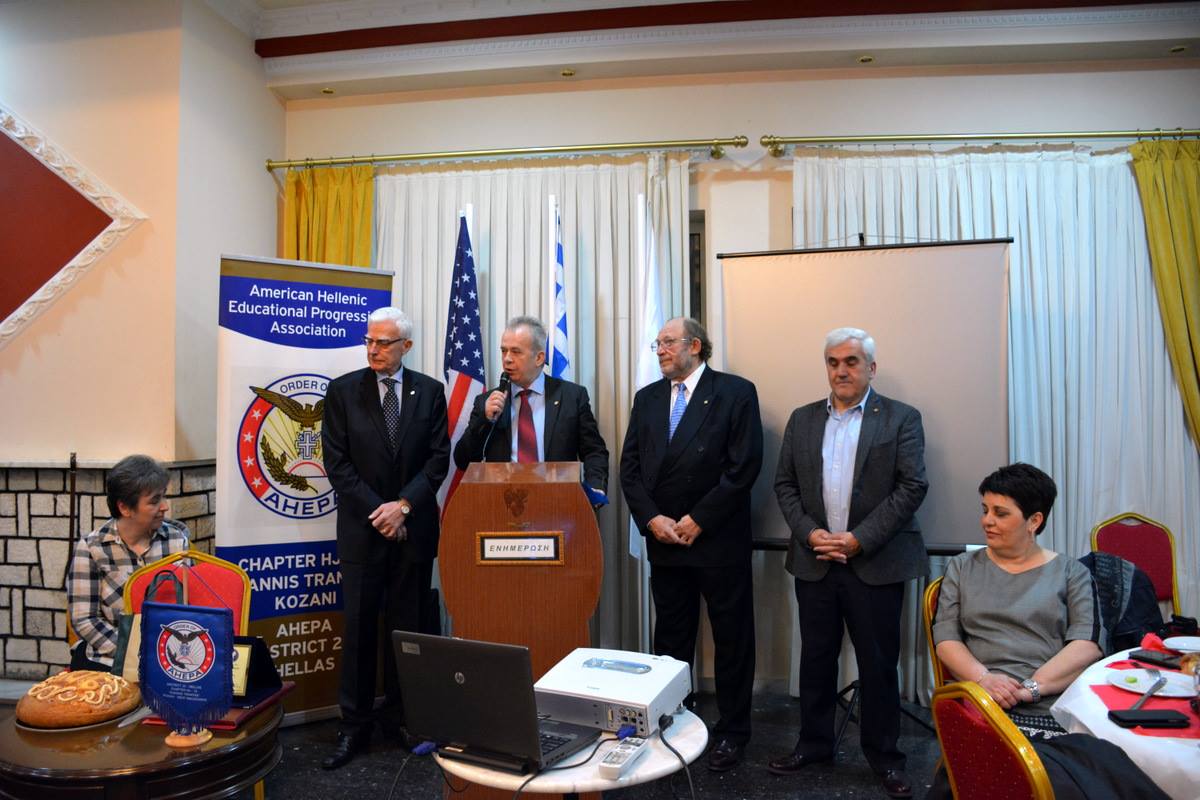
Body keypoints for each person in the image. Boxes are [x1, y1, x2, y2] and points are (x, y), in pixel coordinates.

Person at [772, 327, 928, 799]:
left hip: (875, 563)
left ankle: (885, 758)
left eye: (852, 362)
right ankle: (814, 745)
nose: (841, 370)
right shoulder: (802, 419)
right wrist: (809, 533)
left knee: (878, 666)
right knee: (815, 660)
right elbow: (785, 485)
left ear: (871, 368)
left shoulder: (901, 418)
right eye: (833, 362)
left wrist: (860, 539)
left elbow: (912, 486)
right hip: (816, 560)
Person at [620, 317, 763, 772]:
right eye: (657, 343)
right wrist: (652, 519)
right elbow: (630, 470)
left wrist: (699, 519)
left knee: (732, 640)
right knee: (670, 641)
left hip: (718, 539)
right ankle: (673, 723)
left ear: (695, 345)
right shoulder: (647, 399)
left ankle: (733, 733)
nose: (660, 350)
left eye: (668, 342)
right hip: (666, 540)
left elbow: (744, 467)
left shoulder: (735, 393)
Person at [320, 306, 450, 770]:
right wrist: (382, 512)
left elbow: (438, 459)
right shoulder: (342, 391)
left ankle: (403, 719)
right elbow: (337, 464)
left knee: (406, 630)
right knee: (359, 631)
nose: (373, 349)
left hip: (412, 532)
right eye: (369, 341)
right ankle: (353, 727)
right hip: (363, 531)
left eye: (383, 342)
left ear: (406, 346)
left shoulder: (430, 392)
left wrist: (404, 507)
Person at [932, 463, 1101, 716]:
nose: (987, 521)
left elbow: (1087, 644)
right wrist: (984, 679)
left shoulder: (1072, 572)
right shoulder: (962, 567)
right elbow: (946, 640)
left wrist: (1033, 688)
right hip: (979, 698)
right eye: (985, 510)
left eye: (1000, 513)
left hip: (1054, 698)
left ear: (1034, 520)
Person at [452, 315, 608, 496]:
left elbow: (594, 452)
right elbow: (463, 460)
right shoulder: (487, 402)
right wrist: (484, 420)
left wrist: (595, 489)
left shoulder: (572, 397)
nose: (507, 359)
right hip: (504, 502)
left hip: (558, 500)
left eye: (516, 352)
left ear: (539, 358)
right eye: (503, 351)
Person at [68, 454, 190, 671]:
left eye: (163, 496)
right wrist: (134, 653)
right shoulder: (92, 547)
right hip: (109, 659)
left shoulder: (176, 541)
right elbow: (85, 619)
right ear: (125, 508)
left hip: (167, 659)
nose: (165, 506)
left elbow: (189, 608)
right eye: (154, 501)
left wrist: (163, 654)